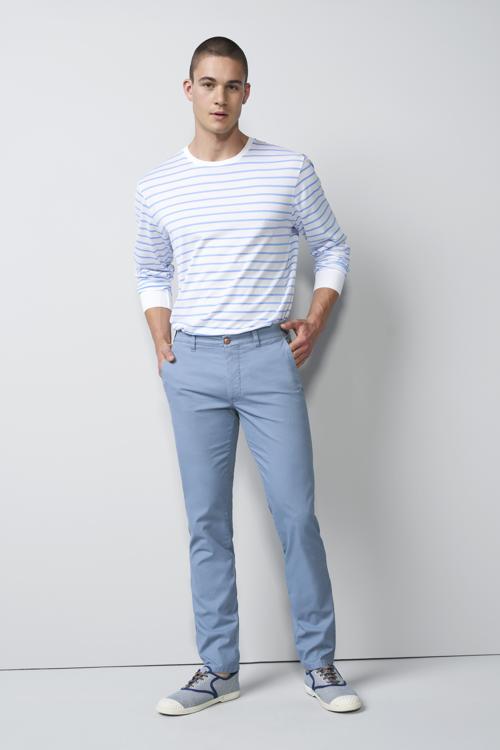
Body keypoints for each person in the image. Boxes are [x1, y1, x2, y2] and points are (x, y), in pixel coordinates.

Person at [133, 35, 362, 716]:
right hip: (193, 364)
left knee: (295, 515)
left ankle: (320, 664)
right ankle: (218, 670)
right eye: (208, 84)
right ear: (189, 89)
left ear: (246, 93)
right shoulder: (157, 185)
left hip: (267, 358)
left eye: (232, 85)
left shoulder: (287, 169)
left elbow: (333, 245)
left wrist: (315, 318)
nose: (220, 97)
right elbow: (150, 269)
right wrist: (161, 339)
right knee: (207, 523)